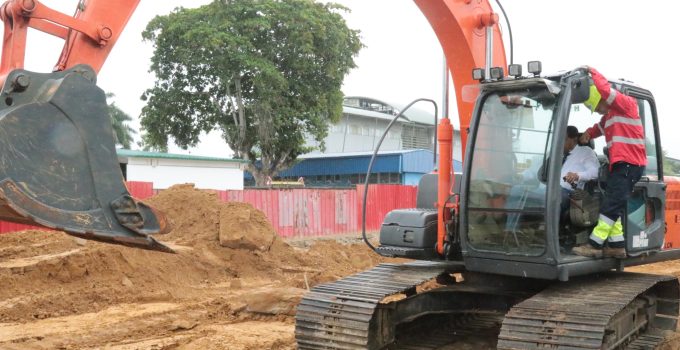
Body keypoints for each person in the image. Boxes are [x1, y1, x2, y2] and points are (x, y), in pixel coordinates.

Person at [572, 66, 646, 259]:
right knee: (614, 204)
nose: (597, 112)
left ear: (602, 99)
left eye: (596, 107)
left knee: (611, 205)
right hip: (622, 165)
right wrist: (586, 135)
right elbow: (598, 128)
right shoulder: (610, 117)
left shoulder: (626, 104)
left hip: (630, 164)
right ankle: (616, 245)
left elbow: (605, 89)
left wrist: (592, 72)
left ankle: (594, 244)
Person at [504, 126, 599, 233]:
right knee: (515, 190)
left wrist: (578, 175)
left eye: (563, 140)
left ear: (574, 140)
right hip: (545, 190)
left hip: (566, 193)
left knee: (556, 194)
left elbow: (595, 172)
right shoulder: (554, 153)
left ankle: (549, 234)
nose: (558, 143)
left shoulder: (586, 152)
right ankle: (510, 231)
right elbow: (534, 171)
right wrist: (521, 176)